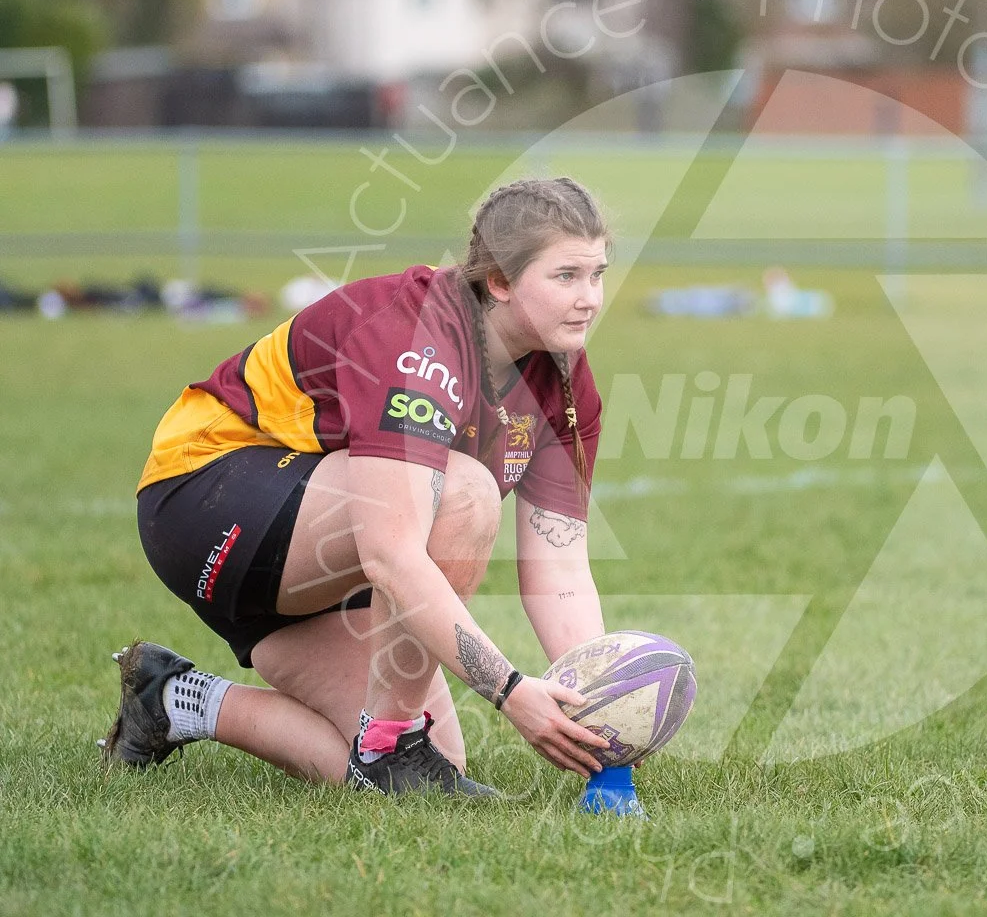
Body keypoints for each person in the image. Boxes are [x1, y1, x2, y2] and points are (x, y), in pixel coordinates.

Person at [102, 177, 644, 813]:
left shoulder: (563, 380)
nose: (590, 299)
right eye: (567, 277)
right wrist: (510, 689)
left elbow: (559, 570)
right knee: (465, 490)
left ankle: (172, 700)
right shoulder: (422, 334)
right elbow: (391, 554)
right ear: (497, 279)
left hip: (324, 538)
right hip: (205, 493)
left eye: (598, 274)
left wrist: (597, 706)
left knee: (430, 769)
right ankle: (390, 742)